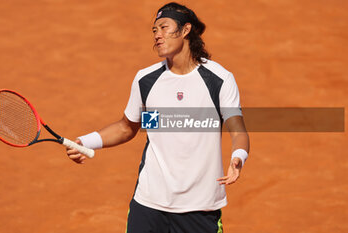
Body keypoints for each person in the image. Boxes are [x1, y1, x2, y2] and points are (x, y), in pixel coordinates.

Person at [67, 2, 250, 233]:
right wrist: (85, 141)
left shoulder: (218, 79)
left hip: (199, 207)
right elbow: (126, 128)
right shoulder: (147, 80)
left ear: (185, 31)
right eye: (154, 30)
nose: (157, 36)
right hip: (149, 204)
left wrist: (238, 157)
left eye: (164, 27)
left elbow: (238, 131)